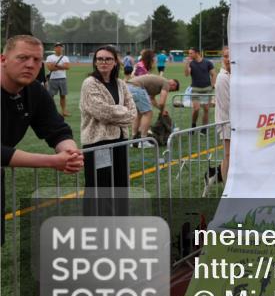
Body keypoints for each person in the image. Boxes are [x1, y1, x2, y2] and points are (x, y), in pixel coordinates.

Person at [2, 36, 82, 243]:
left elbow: (56, 129)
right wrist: (52, 161)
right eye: (22, 57)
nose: (31, 65)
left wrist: (70, 152)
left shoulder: (35, 90)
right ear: (3, 59)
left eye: (37, 60)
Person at [79, 45, 137, 216]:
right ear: (95, 62)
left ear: (115, 62)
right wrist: (122, 111)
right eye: (100, 59)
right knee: (100, 187)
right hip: (98, 143)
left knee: (120, 184)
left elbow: (133, 112)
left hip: (120, 141)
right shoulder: (90, 84)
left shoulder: (120, 83)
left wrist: (119, 112)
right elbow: (101, 112)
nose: (104, 62)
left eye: (108, 59)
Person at [128, 74, 180, 140]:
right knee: (148, 113)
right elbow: (162, 102)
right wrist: (162, 110)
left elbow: (152, 99)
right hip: (137, 88)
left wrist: (160, 109)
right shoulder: (166, 83)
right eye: (172, 90)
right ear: (173, 84)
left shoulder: (159, 83)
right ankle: (143, 140)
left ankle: (134, 138)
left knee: (139, 113)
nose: (169, 91)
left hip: (129, 87)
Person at [209, 46, 231, 189]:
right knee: (229, 155)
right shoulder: (222, 77)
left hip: (233, 121)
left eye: (230, 56)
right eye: (225, 56)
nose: (228, 59)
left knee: (231, 156)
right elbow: (226, 104)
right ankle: (227, 189)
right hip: (227, 121)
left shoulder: (233, 75)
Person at [184, 48, 215, 129]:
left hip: (207, 89)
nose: (189, 55)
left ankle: (204, 128)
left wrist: (212, 85)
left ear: (197, 53)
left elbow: (213, 74)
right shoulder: (191, 63)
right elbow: (186, 74)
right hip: (195, 89)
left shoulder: (207, 62)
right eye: (189, 53)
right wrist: (186, 64)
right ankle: (193, 125)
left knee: (206, 109)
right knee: (196, 109)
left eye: (191, 53)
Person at [45, 42, 71, 117]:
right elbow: (50, 68)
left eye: (60, 47)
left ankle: (64, 111)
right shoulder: (50, 57)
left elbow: (68, 67)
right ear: (54, 48)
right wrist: (62, 66)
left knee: (63, 96)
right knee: (51, 96)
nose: (59, 48)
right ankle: (53, 111)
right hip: (53, 79)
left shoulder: (65, 57)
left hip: (63, 78)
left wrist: (56, 65)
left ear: (62, 48)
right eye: (57, 47)